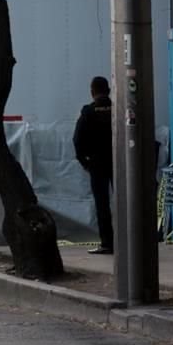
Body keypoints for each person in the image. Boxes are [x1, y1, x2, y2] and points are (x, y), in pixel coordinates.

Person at [73, 76, 114, 255]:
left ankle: (107, 243)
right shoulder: (118, 109)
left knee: (102, 204)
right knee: (128, 202)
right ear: (109, 90)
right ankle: (131, 240)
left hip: (97, 163)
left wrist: (84, 161)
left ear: (92, 92)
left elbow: (77, 139)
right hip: (119, 161)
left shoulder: (88, 112)